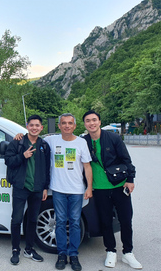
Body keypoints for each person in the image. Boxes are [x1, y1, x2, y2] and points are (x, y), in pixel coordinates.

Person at [82, 110, 142, 269]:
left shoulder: (113, 138)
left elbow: (126, 160)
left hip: (119, 186)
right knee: (105, 221)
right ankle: (111, 251)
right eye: (88, 121)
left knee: (125, 220)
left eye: (94, 120)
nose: (91, 123)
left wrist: (130, 179)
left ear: (99, 122)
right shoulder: (84, 141)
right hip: (99, 189)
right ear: (84, 124)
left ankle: (128, 253)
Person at [44, 113, 92, 271]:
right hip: (58, 190)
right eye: (63, 123)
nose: (67, 126)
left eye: (70, 123)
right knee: (60, 223)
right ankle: (61, 255)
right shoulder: (51, 140)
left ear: (74, 125)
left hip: (76, 190)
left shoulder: (81, 142)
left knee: (75, 224)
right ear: (59, 126)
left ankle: (74, 255)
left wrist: (89, 187)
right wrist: (19, 135)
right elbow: (33, 137)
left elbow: (87, 167)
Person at [5, 115, 51, 265]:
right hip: (21, 187)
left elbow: (47, 169)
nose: (34, 128)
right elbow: (8, 161)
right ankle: (15, 249)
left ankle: (29, 249)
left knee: (32, 219)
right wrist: (22, 156)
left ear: (41, 128)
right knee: (17, 219)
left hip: (37, 189)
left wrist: (45, 187)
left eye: (37, 125)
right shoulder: (17, 142)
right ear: (27, 126)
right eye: (31, 125)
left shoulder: (44, 145)